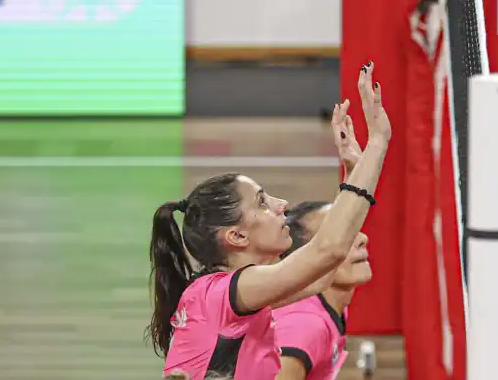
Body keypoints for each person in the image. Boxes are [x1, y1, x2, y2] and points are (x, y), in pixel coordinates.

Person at [147, 64, 391, 380]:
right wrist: (378, 144)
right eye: (263, 202)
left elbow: (319, 277)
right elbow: (328, 251)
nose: (282, 206)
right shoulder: (222, 292)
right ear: (236, 235)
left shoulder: (232, 293)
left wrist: (353, 170)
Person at [273, 199, 372, 380]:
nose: (362, 238)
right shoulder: (303, 324)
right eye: (343, 236)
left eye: (355, 229)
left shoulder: (331, 305)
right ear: (307, 258)